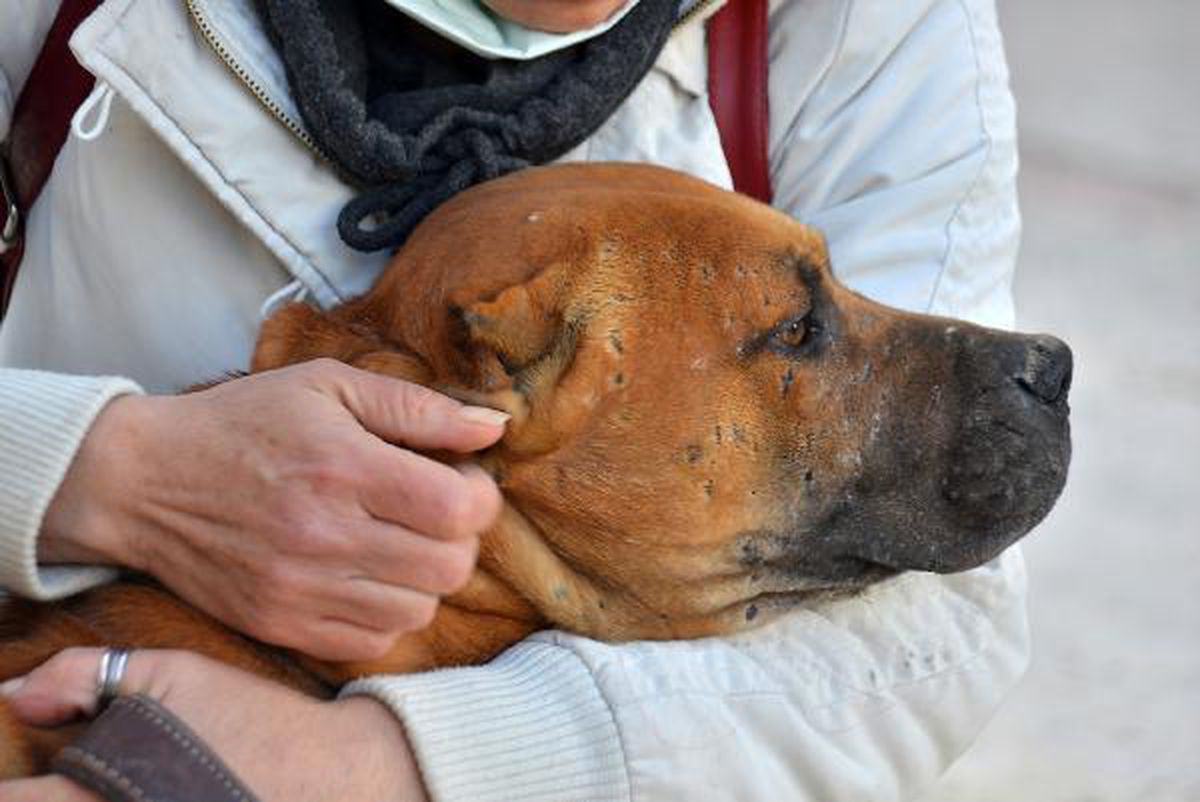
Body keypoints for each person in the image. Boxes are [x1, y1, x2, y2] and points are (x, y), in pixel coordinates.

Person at [0, 0, 1029, 799]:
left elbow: (934, 636)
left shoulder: (871, 26)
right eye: (801, 330)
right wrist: (101, 467)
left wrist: (371, 765)